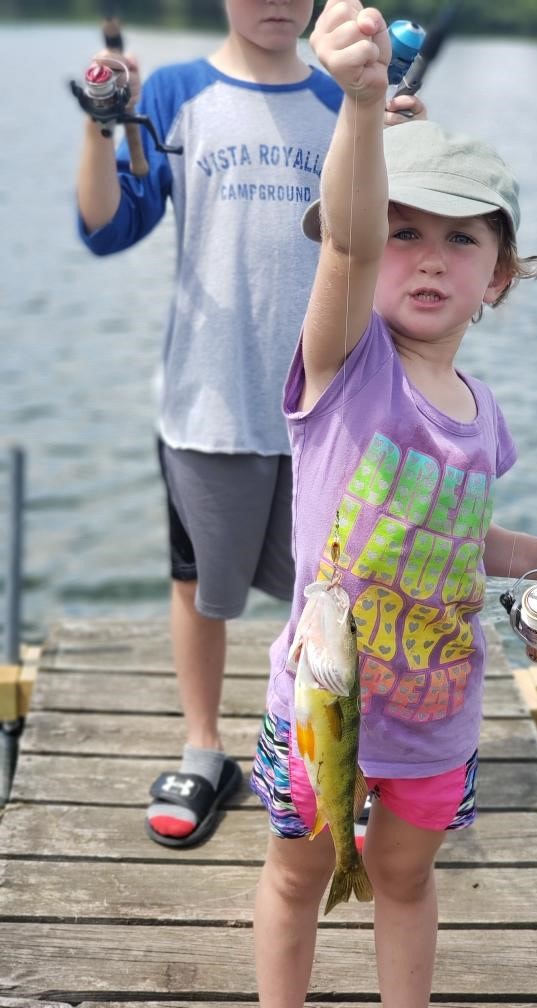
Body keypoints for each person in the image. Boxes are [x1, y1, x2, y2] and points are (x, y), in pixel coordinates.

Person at [249, 1, 537, 1005]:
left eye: (460, 239)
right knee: (299, 874)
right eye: (405, 231)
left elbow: (458, 538)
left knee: (405, 884)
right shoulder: (345, 371)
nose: (424, 256)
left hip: (438, 717)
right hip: (323, 706)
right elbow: (349, 249)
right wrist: (362, 108)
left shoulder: (481, 415)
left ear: (498, 277)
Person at [75, 0, 423, 848]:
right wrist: (101, 124)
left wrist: (396, 131)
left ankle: (333, 759)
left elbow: (401, 235)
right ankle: (204, 748)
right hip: (210, 400)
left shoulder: (346, 94)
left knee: (342, 592)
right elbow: (107, 227)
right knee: (199, 581)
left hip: (336, 405)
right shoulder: (178, 92)